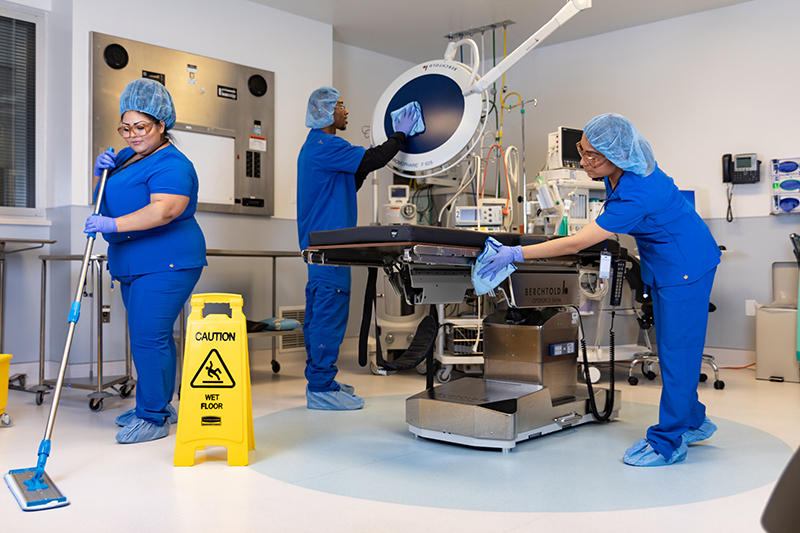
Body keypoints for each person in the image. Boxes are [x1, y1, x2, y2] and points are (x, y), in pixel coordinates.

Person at [479, 113, 721, 466]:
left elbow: (576, 243)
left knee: (677, 353)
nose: (583, 161)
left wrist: (516, 254)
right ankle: (694, 421)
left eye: (592, 155)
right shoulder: (619, 173)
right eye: (582, 150)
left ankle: (668, 441)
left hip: (686, 267)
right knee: (674, 350)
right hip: (668, 263)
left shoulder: (639, 192)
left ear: (618, 156)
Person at [86, 78, 207, 443]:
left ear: (161, 124)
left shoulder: (173, 164)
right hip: (133, 263)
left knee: (148, 338)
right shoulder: (126, 157)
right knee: (153, 338)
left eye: (141, 127)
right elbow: (107, 196)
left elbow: (164, 210)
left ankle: (152, 417)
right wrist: (100, 173)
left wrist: (111, 225)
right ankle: (159, 405)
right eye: (125, 128)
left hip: (166, 262)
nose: (132, 135)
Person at [297, 86, 422, 410]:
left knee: (318, 314)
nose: (346, 111)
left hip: (322, 247)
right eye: (340, 105)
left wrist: (369, 157)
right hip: (330, 249)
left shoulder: (315, 148)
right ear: (326, 113)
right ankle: (320, 388)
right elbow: (374, 160)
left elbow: (353, 178)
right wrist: (400, 135)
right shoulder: (326, 145)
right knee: (328, 314)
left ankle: (321, 379)